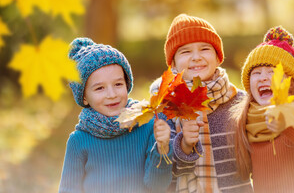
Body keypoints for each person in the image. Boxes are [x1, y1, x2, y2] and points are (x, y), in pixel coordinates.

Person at [150, 14, 253, 192]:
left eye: (205, 49)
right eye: (185, 51)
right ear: (173, 63)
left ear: (218, 57)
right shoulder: (163, 107)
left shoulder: (240, 102)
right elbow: (161, 172)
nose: (196, 57)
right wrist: (185, 146)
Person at [59, 38, 173, 193]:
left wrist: (163, 148)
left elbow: (157, 186)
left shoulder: (147, 126)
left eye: (118, 84)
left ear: (127, 84)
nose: (111, 94)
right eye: (99, 88)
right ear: (84, 97)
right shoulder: (78, 141)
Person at [231, 26, 294, 193]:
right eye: (256, 73)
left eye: (272, 72)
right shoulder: (248, 123)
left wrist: (289, 126)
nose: (263, 77)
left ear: (291, 83)